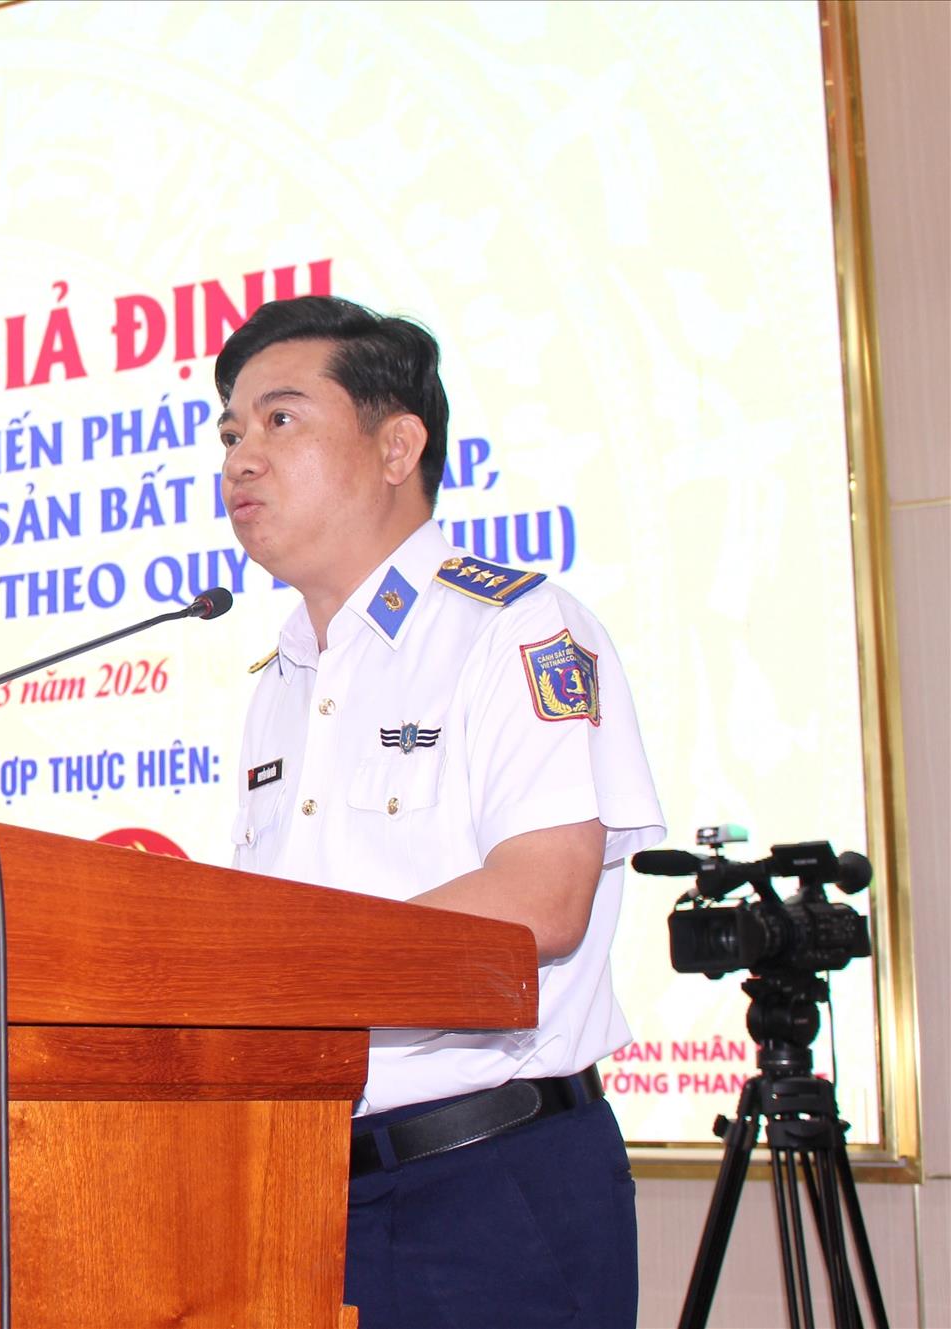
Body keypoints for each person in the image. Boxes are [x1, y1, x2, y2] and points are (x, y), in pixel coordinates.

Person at [216, 296, 664, 1328]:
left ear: (397, 446)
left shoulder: (514, 628)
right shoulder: (281, 677)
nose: (242, 459)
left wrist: (278, 970)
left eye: (280, 420)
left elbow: (541, 902)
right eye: (231, 434)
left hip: (491, 1185)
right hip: (305, 1179)